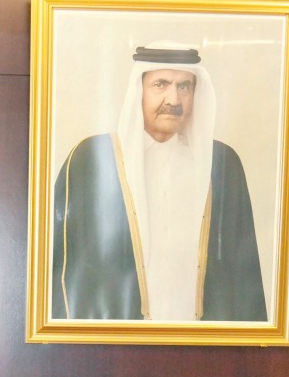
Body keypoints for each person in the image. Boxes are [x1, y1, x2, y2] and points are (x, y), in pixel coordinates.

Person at [52, 42, 267, 322]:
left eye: (184, 87)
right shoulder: (91, 160)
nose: (174, 100)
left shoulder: (223, 164)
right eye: (161, 84)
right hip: (116, 346)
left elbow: (244, 271)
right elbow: (64, 267)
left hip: (202, 345)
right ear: (138, 90)